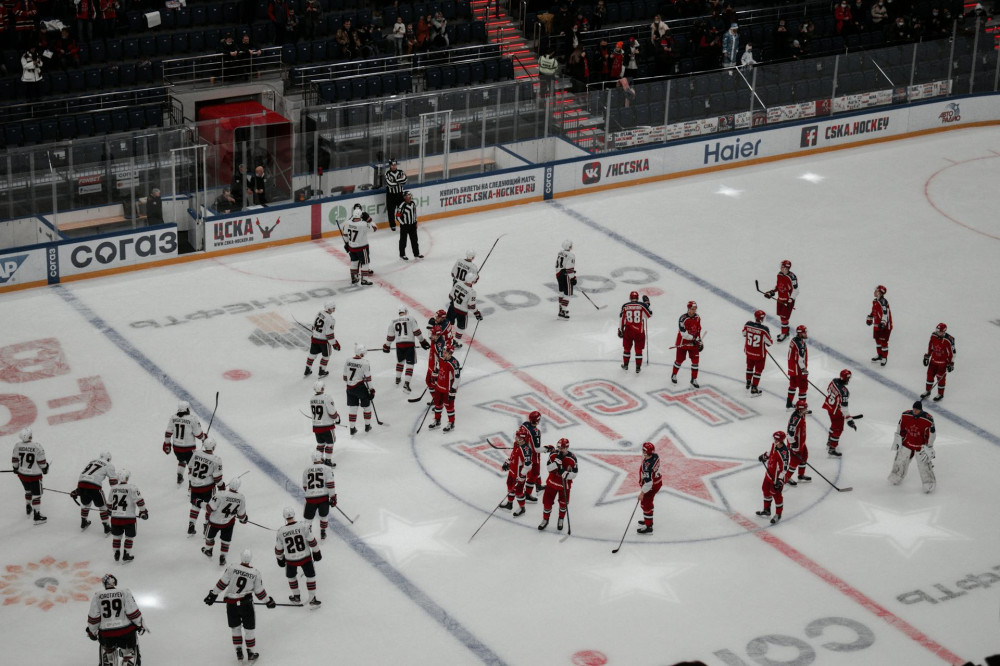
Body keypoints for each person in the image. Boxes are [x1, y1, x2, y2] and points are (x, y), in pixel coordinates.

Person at [204, 549, 276, 662]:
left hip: (231, 604)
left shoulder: (232, 567)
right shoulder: (255, 573)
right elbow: (259, 591)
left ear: (241, 557)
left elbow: (222, 583)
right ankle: (251, 653)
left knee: (235, 628)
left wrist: (213, 594)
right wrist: (268, 601)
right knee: (249, 630)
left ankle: (239, 653)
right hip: (246, 604)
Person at [87, 574, 146, 665]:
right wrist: (140, 625)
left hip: (106, 634)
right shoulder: (124, 592)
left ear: (104, 584)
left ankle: (108, 657)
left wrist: (92, 632)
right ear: (115, 582)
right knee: (130, 653)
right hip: (126, 632)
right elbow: (132, 613)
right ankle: (129, 658)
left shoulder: (97, 596)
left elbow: (94, 618)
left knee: (108, 652)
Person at [275, 506, 322, 608]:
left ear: (284, 517)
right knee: (310, 576)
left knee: (291, 577)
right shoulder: (303, 526)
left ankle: (296, 597)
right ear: (294, 515)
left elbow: (278, 549)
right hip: (305, 557)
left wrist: (280, 558)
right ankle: (312, 599)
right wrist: (316, 552)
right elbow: (312, 541)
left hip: (290, 560)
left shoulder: (281, 531)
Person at [889, 401, 936, 493]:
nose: (915, 411)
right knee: (900, 460)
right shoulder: (905, 415)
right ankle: (896, 477)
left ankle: (929, 484)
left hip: (921, 446)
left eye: (917, 410)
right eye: (914, 409)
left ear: (921, 410)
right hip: (907, 442)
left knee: (924, 465)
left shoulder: (928, 419)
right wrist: (898, 439)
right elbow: (900, 427)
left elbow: (931, 434)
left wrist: (929, 446)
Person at [202, 477, 248, 566]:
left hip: (215, 521)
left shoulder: (220, 494)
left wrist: (199, 502)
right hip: (228, 522)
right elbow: (241, 515)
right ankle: (223, 557)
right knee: (226, 539)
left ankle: (208, 550)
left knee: (209, 537)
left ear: (229, 484)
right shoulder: (241, 498)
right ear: (238, 487)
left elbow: (210, 508)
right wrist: (244, 519)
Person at [384, 306, 429, 393]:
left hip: (399, 345)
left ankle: (397, 379)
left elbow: (390, 336)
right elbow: (416, 331)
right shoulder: (410, 318)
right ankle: (406, 384)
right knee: (410, 364)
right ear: (406, 311)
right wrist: (422, 341)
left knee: (400, 362)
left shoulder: (393, 321)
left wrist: (387, 345)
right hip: (409, 344)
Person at [163, 400, 208, 485]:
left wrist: (167, 444)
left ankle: (179, 476)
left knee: (181, 460)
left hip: (176, 448)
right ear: (187, 409)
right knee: (192, 466)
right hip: (189, 449)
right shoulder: (192, 419)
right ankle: (191, 485)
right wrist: (204, 437)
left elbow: (168, 433)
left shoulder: (173, 418)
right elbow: (198, 434)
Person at [537, 438, 577, 531]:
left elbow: (574, 474)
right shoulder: (553, 454)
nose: (559, 449)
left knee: (563, 504)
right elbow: (549, 468)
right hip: (551, 484)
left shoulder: (572, 458)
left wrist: (565, 474)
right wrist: (556, 463)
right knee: (547, 503)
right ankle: (545, 519)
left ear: (567, 448)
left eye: (562, 448)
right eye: (558, 447)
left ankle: (561, 519)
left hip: (564, 486)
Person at [187, 438, 224, 536]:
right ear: (213, 447)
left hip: (194, 485)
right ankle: (207, 525)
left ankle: (191, 524)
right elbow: (217, 478)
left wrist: (192, 480)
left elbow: (190, 467)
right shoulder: (216, 459)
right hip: (207, 487)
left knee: (195, 505)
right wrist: (222, 487)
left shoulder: (196, 453)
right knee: (210, 505)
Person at [109, 468, 148, 562]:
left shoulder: (113, 488)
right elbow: (139, 501)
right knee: (129, 537)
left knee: (116, 536)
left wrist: (109, 510)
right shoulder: (132, 487)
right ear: (127, 477)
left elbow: (109, 503)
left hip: (115, 518)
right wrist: (143, 511)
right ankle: (126, 554)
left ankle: (116, 552)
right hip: (129, 518)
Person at [11, 427, 48, 524]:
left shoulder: (17, 445)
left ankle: (28, 507)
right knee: (37, 495)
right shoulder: (37, 446)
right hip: (35, 475)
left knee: (28, 491)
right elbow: (42, 462)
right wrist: (45, 468)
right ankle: (37, 516)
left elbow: (15, 460)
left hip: (22, 475)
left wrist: (15, 468)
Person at [72, 451, 115, 534]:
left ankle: (83, 522)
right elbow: (113, 483)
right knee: (103, 507)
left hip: (81, 484)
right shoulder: (109, 464)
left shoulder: (92, 461)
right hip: (94, 486)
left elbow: (85, 475)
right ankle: (107, 527)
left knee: (85, 504)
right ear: (108, 459)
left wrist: (78, 489)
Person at [756, 431, 789, 525]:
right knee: (765, 490)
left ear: (780, 440)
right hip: (769, 474)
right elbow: (771, 452)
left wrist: (780, 481)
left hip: (776, 479)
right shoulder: (774, 445)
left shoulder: (783, 453)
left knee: (776, 495)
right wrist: (764, 456)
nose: (774, 440)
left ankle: (778, 514)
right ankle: (767, 510)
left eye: (776, 439)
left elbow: (784, 469)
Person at [302, 450, 336, 541]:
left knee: (308, 519)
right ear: (321, 458)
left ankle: (308, 535)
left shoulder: (306, 470)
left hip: (310, 499)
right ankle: (323, 532)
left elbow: (305, 486)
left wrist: (312, 492)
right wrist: (333, 497)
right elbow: (330, 484)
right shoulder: (327, 468)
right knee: (323, 516)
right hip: (323, 498)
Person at [500, 429, 533, 517]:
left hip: (519, 475)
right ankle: (509, 504)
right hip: (512, 471)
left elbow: (528, 465)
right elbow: (513, 455)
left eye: (518, 437)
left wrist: (522, 476)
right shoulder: (516, 444)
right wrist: (508, 462)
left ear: (523, 438)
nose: (516, 438)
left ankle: (522, 508)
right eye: (516, 436)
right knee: (509, 485)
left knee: (518, 492)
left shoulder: (526, 450)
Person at [823, 369, 856, 457]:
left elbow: (828, 390)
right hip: (837, 412)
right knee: (838, 429)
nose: (849, 380)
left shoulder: (834, 381)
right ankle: (832, 448)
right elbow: (844, 408)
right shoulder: (844, 392)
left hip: (829, 407)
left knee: (833, 425)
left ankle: (829, 441)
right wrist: (849, 420)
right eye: (848, 378)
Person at [427, 344, 460, 432]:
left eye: (445, 353)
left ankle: (451, 423)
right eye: (443, 352)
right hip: (439, 387)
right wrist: (434, 377)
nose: (443, 354)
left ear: (450, 354)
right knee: (437, 404)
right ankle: (437, 421)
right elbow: (437, 369)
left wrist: (453, 391)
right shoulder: (441, 359)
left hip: (448, 389)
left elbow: (457, 379)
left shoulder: (454, 363)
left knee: (449, 407)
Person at [343, 344, 374, 435]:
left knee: (353, 408)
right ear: (362, 353)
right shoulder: (365, 362)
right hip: (360, 388)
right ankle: (367, 426)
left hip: (349, 388)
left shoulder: (348, 360)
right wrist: (372, 390)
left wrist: (354, 379)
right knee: (367, 407)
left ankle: (352, 428)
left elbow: (345, 377)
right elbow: (368, 378)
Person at [764, 260, 798, 342]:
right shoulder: (779, 274)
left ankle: (784, 333)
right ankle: (786, 331)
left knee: (784, 318)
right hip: (780, 299)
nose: (780, 268)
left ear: (786, 268)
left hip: (788, 301)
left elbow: (796, 290)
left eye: (782, 266)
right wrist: (771, 292)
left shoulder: (792, 277)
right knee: (781, 316)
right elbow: (778, 285)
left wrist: (791, 299)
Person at [304, 301, 340, 377]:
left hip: (314, 338)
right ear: (328, 308)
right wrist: (334, 344)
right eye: (333, 308)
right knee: (326, 356)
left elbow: (313, 325)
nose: (334, 309)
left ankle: (307, 370)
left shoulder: (319, 312)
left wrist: (316, 332)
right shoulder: (331, 319)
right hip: (323, 342)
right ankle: (321, 371)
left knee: (312, 355)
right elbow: (329, 334)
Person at [671, 301, 703, 388]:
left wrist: (700, 340)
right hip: (683, 343)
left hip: (694, 343)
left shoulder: (697, 317)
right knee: (679, 360)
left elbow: (698, 330)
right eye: (692, 309)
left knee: (695, 361)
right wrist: (693, 339)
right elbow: (683, 333)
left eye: (695, 309)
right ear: (688, 309)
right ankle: (674, 374)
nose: (694, 310)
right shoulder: (682, 318)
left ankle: (694, 379)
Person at [619, 290, 653, 373]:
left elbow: (622, 319)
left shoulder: (625, 306)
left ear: (630, 298)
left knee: (626, 349)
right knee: (638, 350)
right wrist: (647, 304)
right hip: (639, 332)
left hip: (628, 331)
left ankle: (626, 365)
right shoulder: (642, 305)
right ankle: (638, 367)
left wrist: (620, 330)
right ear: (637, 298)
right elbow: (649, 315)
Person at [343, 204, 377, 285]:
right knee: (365, 263)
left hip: (351, 247)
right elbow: (374, 228)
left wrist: (347, 244)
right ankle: (364, 280)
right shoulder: (363, 224)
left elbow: (345, 235)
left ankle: (354, 278)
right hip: (362, 247)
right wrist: (370, 220)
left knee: (354, 262)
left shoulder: (347, 223)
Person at [922, 323, 956, 401]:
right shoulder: (933, 336)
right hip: (933, 361)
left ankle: (940, 394)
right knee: (929, 375)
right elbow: (930, 346)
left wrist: (951, 363)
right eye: (937, 330)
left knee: (940, 378)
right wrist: (927, 356)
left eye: (939, 331)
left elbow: (952, 353)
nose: (937, 332)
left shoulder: (948, 340)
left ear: (944, 331)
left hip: (942, 364)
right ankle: (927, 391)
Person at [309, 380, 340, 466]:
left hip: (316, 426)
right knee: (330, 443)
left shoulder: (312, 398)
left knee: (320, 443)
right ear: (322, 388)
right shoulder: (327, 397)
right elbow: (332, 412)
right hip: (327, 426)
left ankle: (319, 459)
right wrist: (337, 418)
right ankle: (328, 461)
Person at [743, 309, 772, 396]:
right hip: (759, 354)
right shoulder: (764, 329)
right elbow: (769, 343)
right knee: (758, 371)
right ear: (762, 318)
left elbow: (744, 334)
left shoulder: (748, 324)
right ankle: (754, 388)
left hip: (749, 352)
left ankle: (748, 383)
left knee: (749, 367)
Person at [446, 279, 482, 349]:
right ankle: (455, 342)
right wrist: (477, 313)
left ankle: (444, 337)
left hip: (453, 307)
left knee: (448, 323)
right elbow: (471, 306)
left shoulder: (458, 283)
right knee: (461, 328)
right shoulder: (472, 292)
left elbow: (450, 296)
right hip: (462, 312)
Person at [636, 441, 662, 534]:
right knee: (649, 503)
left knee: (645, 504)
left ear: (647, 452)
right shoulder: (655, 456)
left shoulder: (647, 467)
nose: (642, 450)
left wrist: (642, 493)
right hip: (657, 482)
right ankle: (648, 519)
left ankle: (648, 526)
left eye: (644, 450)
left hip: (651, 487)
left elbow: (648, 483)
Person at [785, 400, 812, 485]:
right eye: (805, 408)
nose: (806, 409)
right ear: (800, 409)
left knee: (804, 456)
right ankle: (786, 478)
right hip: (796, 445)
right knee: (794, 462)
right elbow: (790, 434)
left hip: (801, 442)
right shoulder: (795, 420)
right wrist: (793, 445)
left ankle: (801, 475)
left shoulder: (801, 414)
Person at [519, 411, 544, 500]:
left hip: (524, 452)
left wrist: (521, 445)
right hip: (533, 456)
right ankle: (528, 494)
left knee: (535, 471)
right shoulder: (536, 431)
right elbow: (537, 449)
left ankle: (538, 486)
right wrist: (547, 449)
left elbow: (518, 436)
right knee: (534, 473)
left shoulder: (524, 424)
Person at [866, 285, 892, 366]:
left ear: (880, 293)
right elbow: (874, 311)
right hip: (877, 325)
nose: (874, 291)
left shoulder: (883, 302)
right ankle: (880, 355)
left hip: (885, 326)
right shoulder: (875, 301)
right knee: (877, 340)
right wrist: (870, 317)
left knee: (883, 342)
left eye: (876, 290)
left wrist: (883, 323)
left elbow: (885, 314)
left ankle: (884, 357)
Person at [785, 325, 809, 409]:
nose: (806, 334)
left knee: (793, 385)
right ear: (800, 333)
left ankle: (789, 404)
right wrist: (804, 370)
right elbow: (800, 359)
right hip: (798, 369)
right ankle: (802, 407)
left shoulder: (793, 340)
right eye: (804, 333)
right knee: (803, 388)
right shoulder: (801, 344)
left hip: (792, 368)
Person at [395, 190, 422, 260]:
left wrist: (415, 222)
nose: (408, 197)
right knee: (403, 241)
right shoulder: (402, 205)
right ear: (404, 197)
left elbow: (414, 213)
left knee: (414, 240)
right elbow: (397, 216)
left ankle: (416, 254)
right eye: (407, 196)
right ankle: (402, 255)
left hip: (412, 225)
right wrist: (403, 224)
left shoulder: (413, 203)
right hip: (405, 226)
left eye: (409, 196)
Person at [384, 158, 407, 230]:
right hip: (391, 195)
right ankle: (392, 225)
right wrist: (399, 181)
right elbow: (390, 184)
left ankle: (403, 223)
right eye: (392, 165)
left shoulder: (401, 171)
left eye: (395, 165)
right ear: (390, 165)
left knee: (402, 209)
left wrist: (395, 181)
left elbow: (405, 180)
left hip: (400, 194)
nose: (394, 166)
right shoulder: (387, 173)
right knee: (391, 211)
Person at [556, 239, 576, 319]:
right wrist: (573, 278)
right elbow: (569, 269)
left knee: (561, 292)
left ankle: (561, 309)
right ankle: (563, 311)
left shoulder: (560, 252)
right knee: (568, 294)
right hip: (566, 275)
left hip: (558, 273)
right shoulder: (571, 255)